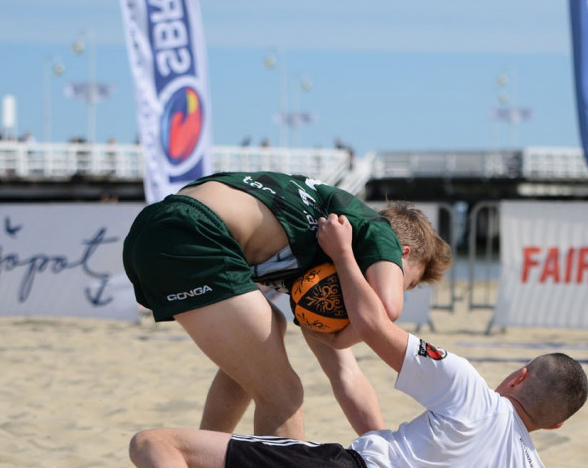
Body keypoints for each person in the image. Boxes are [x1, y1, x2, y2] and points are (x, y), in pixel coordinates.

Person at [122, 213, 588, 468]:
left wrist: (343, 253)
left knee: (154, 446)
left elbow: (370, 321)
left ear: (518, 377)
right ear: (556, 426)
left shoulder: (473, 393)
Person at [122, 172, 451, 440]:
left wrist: (383, 449)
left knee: (261, 348)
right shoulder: (370, 231)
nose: (401, 289)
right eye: (408, 282)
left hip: (159, 227)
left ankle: (200, 467)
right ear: (402, 253)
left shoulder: (318, 273)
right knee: (284, 395)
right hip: (195, 231)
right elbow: (387, 309)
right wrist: (344, 257)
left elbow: (345, 375)